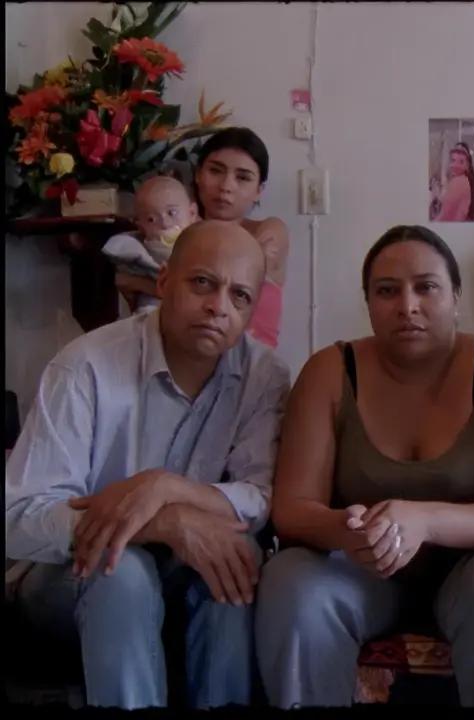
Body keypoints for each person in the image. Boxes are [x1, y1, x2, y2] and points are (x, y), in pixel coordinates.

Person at [254, 225, 474, 709]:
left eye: (427, 287)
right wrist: (346, 529)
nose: (407, 306)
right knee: (290, 577)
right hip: (362, 572)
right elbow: (293, 508)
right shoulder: (330, 370)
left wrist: (424, 520)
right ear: (367, 302)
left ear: (456, 296)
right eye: (387, 291)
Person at [5, 220, 292, 709]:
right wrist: (158, 524)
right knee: (122, 569)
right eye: (202, 282)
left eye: (239, 296)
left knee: (235, 556)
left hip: (182, 574)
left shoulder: (264, 376)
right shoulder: (86, 366)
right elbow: (16, 517)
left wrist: (165, 488)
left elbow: (260, 495)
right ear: (163, 282)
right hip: (66, 583)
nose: (218, 306)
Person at [194, 127, 290, 349]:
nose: (226, 186)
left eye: (243, 177)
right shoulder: (173, 232)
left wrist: (138, 281)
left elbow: (233, 272)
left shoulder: (269, 231)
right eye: (215, 171)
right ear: (198, 175)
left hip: (251, 366)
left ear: (259, 190)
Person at [107, 175, 199, 314]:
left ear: (192, 213)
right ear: (141, 227)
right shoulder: (137, 247)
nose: (165, 223)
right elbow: (122, 278)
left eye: (172, 213)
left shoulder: (205, 242)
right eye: (151, 219)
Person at [434, 142, 474, 222]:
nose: (455, 165)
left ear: (467, 164)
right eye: (453, 160)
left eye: (461, 161)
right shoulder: (463, 180)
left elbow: (446, 212)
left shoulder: (460, 181)